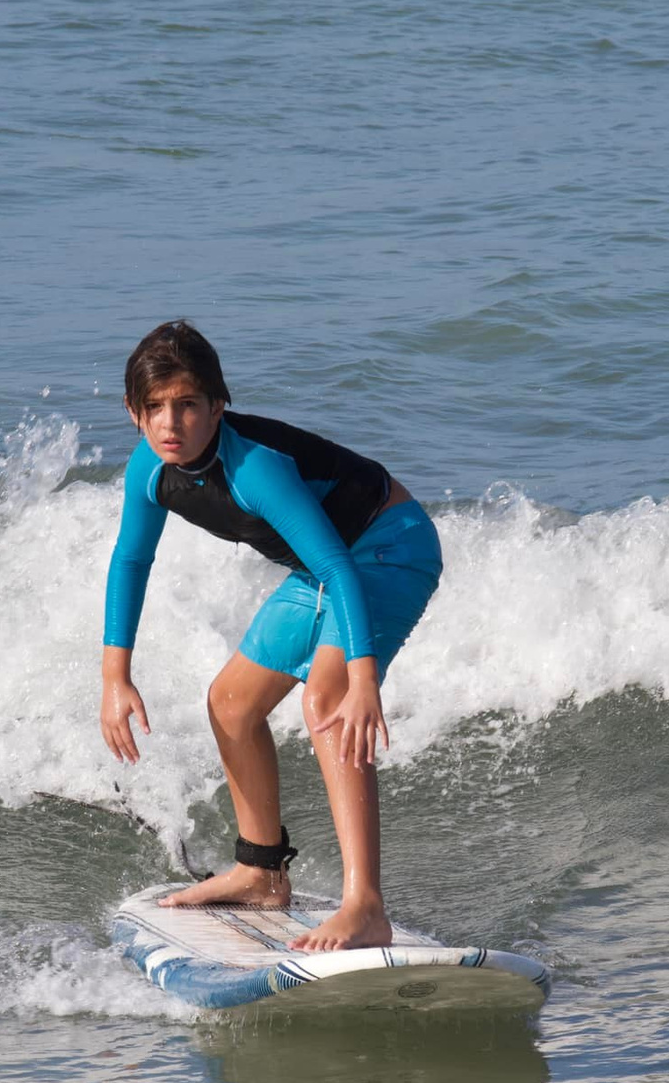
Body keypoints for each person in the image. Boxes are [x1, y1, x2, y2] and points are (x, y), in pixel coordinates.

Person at [98, 320, 443, 951]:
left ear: (218, 405)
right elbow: (131, 561)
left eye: (188, 405)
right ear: (133, 413)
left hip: (390, 546)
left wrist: (363, 680)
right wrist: (115, 677)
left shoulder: (256, 469)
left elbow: (341, 566)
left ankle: (365, 905)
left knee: (327, 703)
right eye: (154, 408)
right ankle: (260, 871)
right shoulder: (150, 468)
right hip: (322, 566)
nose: (171, 423)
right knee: (231, 701)